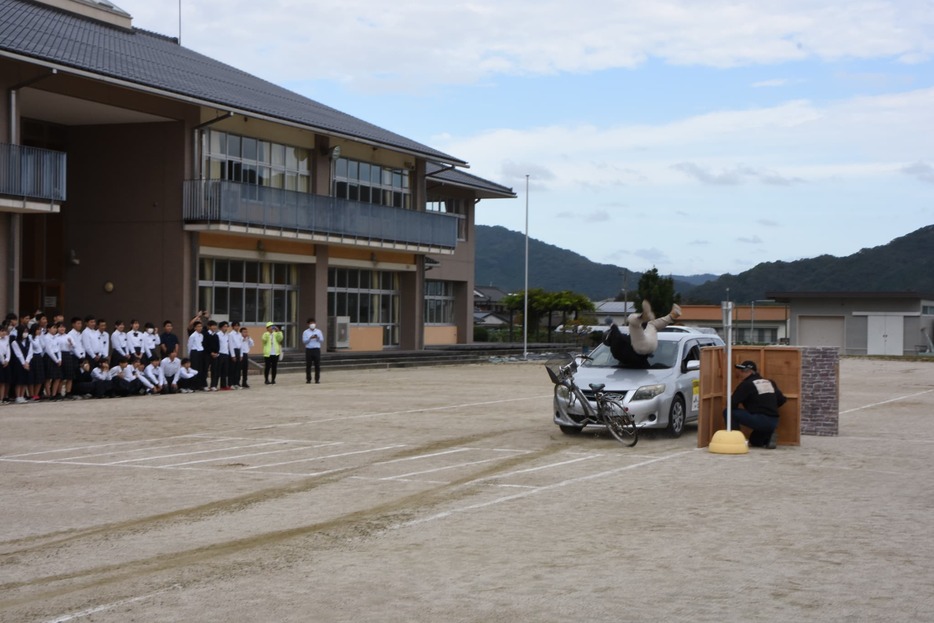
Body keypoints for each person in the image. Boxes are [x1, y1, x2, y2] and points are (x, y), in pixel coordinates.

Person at [725, 360, 787, 449]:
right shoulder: (769, 382)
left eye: (742, 371)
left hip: (759, 419)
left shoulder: (746, 384)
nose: (740, 374)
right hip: (773, 421)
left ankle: (735, 440)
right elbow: (782, 400)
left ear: (749, 372)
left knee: (728, 412)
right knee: (755, 442)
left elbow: (732, 403)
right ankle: (769, 435)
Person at [603, 300, 682, 368]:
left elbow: (635, 335)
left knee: (648, 325)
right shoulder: (619, 342)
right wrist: (611, 324)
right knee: (641, 323)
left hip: (645, 347)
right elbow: (617, 333)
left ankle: (670, 315)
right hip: (646, 346)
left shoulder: (616, 352)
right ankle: (670, 316)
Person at [302, 317, 324, 384]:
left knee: (317, 365)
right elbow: (304, 341)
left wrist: (317, 338)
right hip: (309, 349)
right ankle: (308, 379)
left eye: (313, 323)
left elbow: (322, 340)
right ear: (308, 324)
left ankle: (317, 379)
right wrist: (310, 338)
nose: (312, 324)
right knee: (308, 365)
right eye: (311, 323)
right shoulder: (305, 332)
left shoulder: (318, 331)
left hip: (316, 349)